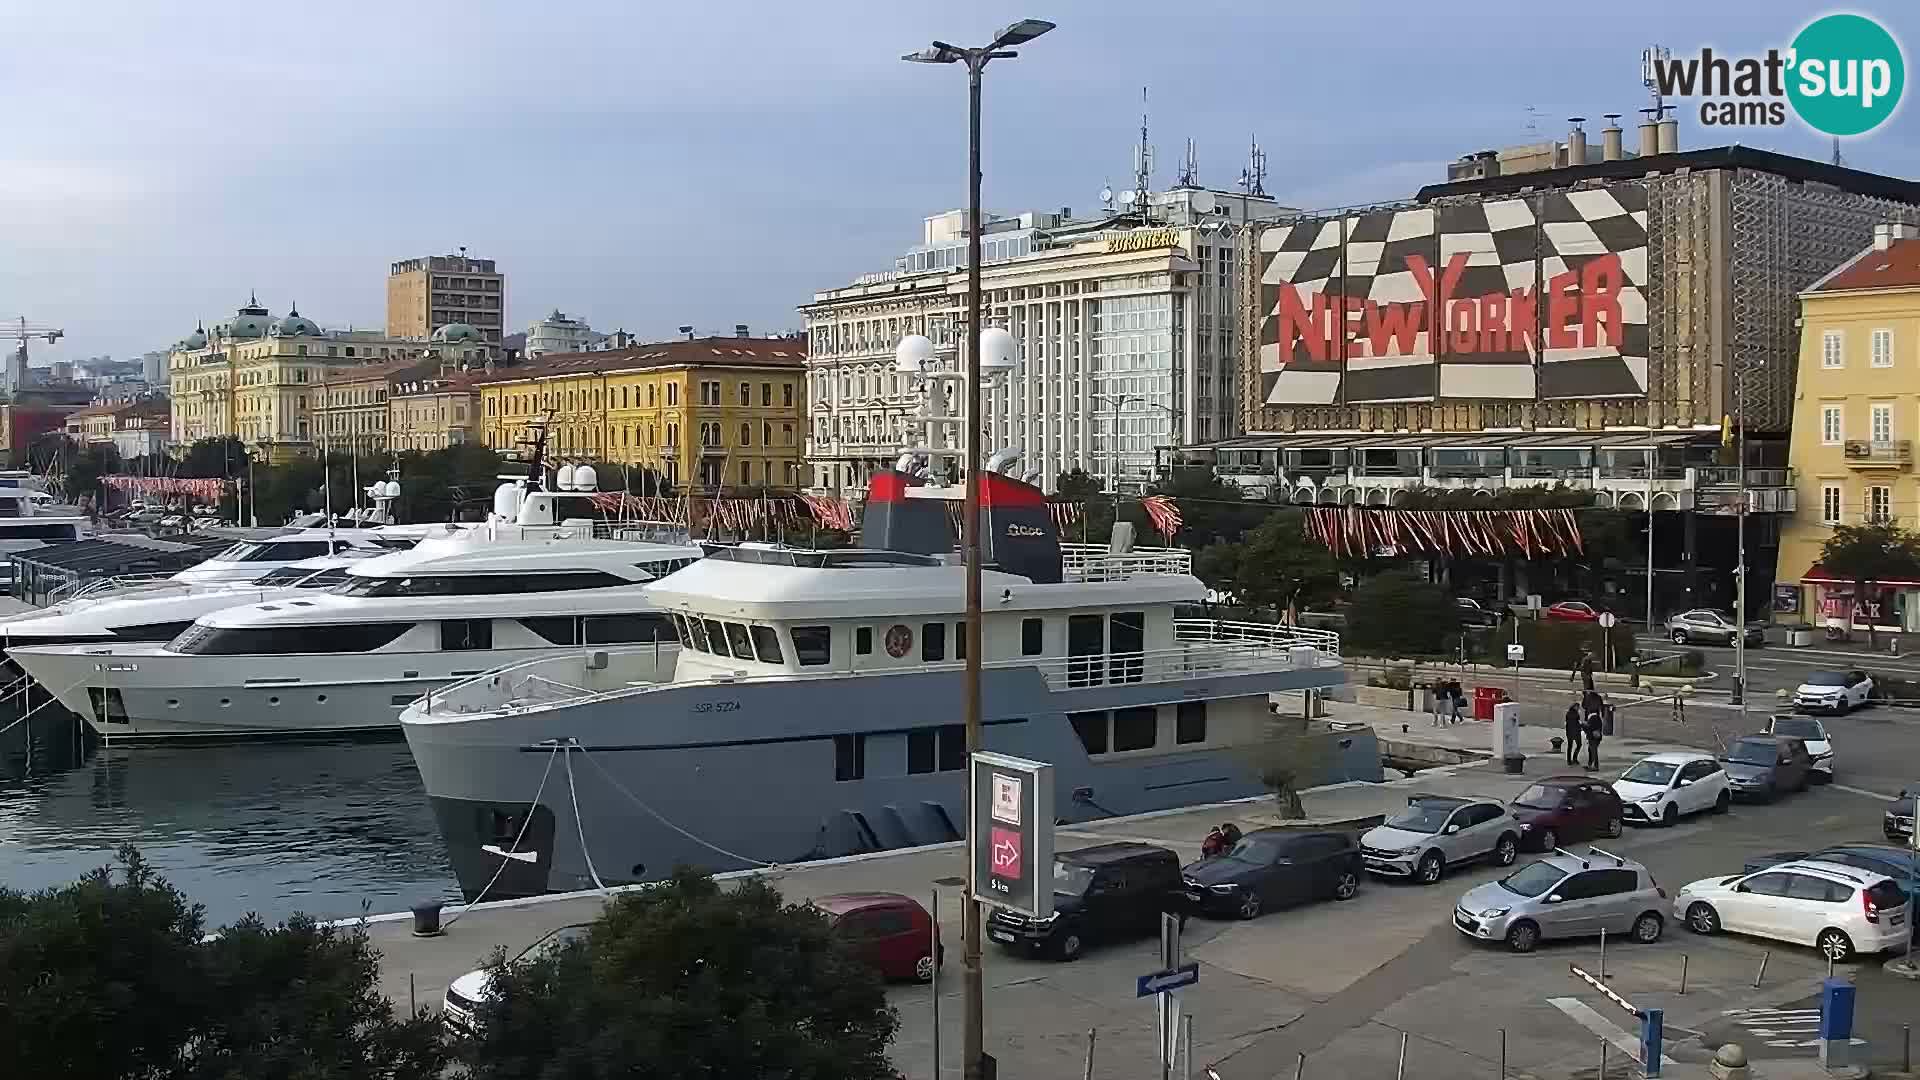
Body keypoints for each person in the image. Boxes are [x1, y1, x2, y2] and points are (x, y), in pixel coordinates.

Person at [1583, 700, 1604, 770]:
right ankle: (1590, 764)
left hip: (1593, 738)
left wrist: (1583, 725)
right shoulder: (1597, 717)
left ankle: (1595, 766)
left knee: (1593, 751)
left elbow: (1590, 727)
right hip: (1596, 737)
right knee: (1591, 750)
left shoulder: (1593, 718)